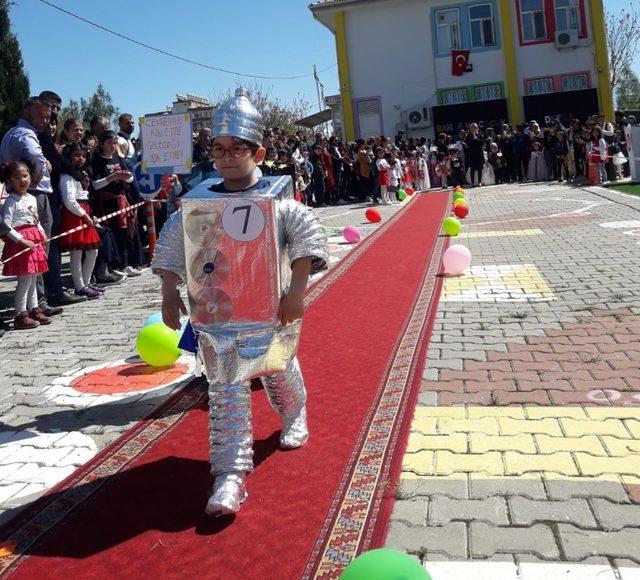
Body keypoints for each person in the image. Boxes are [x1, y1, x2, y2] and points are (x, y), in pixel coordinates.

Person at [151, 88, 328, 516]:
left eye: (238, 148)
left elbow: (305, 237)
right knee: (226, 389)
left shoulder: (278, 202)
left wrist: (297, 290)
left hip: (270, 311)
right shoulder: (196, 203)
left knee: (277, 371)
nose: (227, 156)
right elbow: (175, 243)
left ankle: (294, 415)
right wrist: (169, 293)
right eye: (218, 148)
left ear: (258, 151)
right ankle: (229, 475)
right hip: (216, 315)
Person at [0, 161, 51, 329]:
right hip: (21, 244)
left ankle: (33, 309)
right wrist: (22, 240)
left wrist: (42, 233)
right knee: (24, 280)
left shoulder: (32, 198)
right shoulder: (10, 202)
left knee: (34, 277)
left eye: (25, 175)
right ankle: (20, 314)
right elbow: (6, 227)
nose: (22, 180)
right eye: (17, 177)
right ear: (8, 182)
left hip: (34, 242)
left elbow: (35, 220)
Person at [58, 144, 103, 299]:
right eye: (77, 155)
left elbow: (86, 196)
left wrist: (91, 214)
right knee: (76, 253)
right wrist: (84, 215)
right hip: (74, 215)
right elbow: (69, 201)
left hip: (85, 212)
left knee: (92, 250)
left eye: (83, 155)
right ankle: (79, 286)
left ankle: (87, 281)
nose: (81, 159)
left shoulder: (82, 174)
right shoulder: (67, 176)